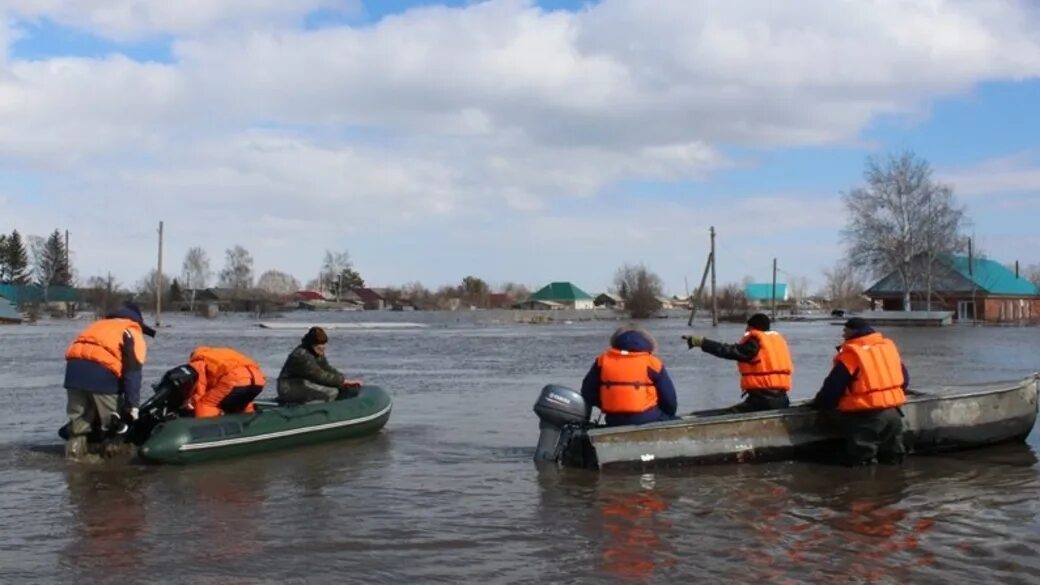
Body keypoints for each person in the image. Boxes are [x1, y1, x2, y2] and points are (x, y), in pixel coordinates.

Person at [63, 302, 156, 459]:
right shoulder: (131, 331)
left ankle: (74, 466)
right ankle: (114, 470)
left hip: (73, 374)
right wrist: (132, 406)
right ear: (138, 321)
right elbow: (132, 373)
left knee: (78, 426)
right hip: (103, 376)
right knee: (114, 426)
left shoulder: (98, 325)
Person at [812, 317, 909, 466]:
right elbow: (905, 379)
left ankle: (863, 487)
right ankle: (896, 487)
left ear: (854, 331)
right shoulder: (888, 349)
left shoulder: (852, 354)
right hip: (893, 414)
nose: (843, 334)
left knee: (862, 461)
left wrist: (819, 404)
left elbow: (833, 386)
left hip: (866, 416)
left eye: (845, 330)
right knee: (893, 458)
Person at [683, 313, 794, 413]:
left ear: (752, 327)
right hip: (782, 399)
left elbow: (726, 351)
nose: (745, 330)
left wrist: (702, 342)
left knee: (720, 416)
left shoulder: (754, 344)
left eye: (747, 327)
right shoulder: (777, 342)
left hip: (762, 401)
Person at [580, 324, 678, 426]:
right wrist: (669, 414)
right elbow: (669, 400)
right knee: (676, 421)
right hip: (649, 418)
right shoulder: (652, 363)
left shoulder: (602, 361)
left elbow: (587, 393)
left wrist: (607, 403)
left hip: (614, 420)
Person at [277, 326, 363, 404]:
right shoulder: (301, 356)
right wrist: (342, 381)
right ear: (311, 344)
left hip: (303, 383)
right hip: (288, 387)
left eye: (324, 344)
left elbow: (326, 368)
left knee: (338, 389)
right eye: (319, 345)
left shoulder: (316, 353)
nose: (323, 347)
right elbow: (319, 376)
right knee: (331, 392)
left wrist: (343, 379)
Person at [184, 346, 266, 418]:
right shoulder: (221, 354)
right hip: (259, 379)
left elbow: (200, 387)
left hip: (235, 378)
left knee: (205, 404)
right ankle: (251, 423)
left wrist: (191, 404)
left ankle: (206, 429)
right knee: (243, 402)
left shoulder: (198, 361)